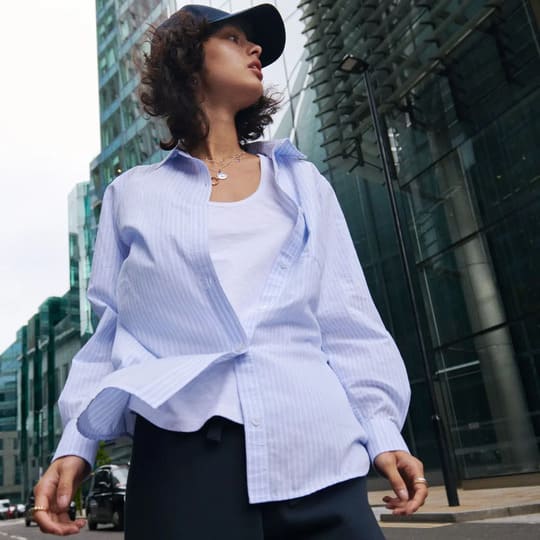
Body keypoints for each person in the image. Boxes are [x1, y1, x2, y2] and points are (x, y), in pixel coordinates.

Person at [33, 3, 428, 538]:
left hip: (317, 450)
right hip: (184, 459)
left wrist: (383, 429)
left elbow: (347, 316)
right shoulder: (132, 196)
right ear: (188, 62)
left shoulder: (302, 182)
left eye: (254, 43)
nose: (256, 50)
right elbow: (111, 332)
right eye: (236, 38)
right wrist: (74, 446)